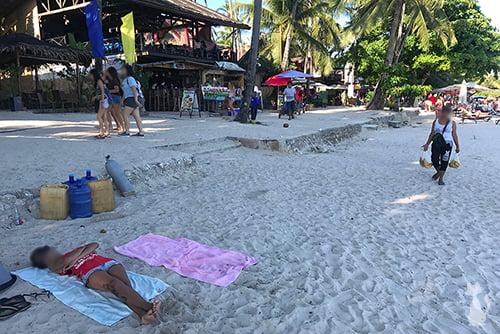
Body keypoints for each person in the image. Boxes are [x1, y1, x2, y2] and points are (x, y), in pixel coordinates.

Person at [30, 243, 161, 325]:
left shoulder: (70, 254)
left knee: (125, 285)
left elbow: (94, 245)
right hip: (90, 271)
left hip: (107, 262)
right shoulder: (55, 265)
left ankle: (142, 314)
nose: (54, 251)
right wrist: (82, 252)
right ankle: (147, 306)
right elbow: (73, 257)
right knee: (114, 284)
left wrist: (76, 256)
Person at [422, 106, 460, 185]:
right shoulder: (435, 122)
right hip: (436, 143)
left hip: (447, 144)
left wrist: (457, 146)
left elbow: (454, 135)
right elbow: (432, 133)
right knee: (434, 159)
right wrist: (427, 144)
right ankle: (439, 173)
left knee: (444, 161)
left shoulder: (452, 123)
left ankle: (441, 178)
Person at [120, 65, 145, 137]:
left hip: (132, 98)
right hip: (130, 98)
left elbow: (134, 89)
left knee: (125, 114)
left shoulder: (130, 79)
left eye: (123, 70)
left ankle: (127, 132)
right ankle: (141, 132)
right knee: (136, 116)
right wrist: (122, 100)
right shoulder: (126, 79)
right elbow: (126, 91)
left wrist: (136, 100)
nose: (122, 71)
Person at [89, 69, 110, 139]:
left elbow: (102, 91)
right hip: (104, 99)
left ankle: (102, 132)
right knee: (104, 117)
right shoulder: (100, 81)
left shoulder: (99, 81)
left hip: (103, 100)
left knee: (99, 116)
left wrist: (102, 101)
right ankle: (107, 132)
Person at [105, 67, 124, 132]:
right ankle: (117, 125)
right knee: (111, 112)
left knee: (117, 113)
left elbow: (117, 90)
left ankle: (122, 126)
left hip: (115, 97)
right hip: (112, 97)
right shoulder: (110, 80)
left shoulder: (114, 80)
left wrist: (108, 91)